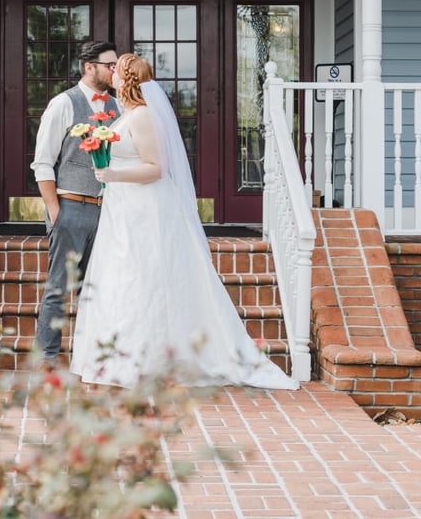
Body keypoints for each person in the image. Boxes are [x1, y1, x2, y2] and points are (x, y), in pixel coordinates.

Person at [69, 53, 299, 390]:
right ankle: (115, 362)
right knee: (120, 280)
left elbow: (155, 168)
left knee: (140, 281)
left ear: (127, 79)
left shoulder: (143, 116)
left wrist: (112, 173)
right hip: (122, 212)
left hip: (145, 212)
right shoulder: (126, 115)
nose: (111, 74)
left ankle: (144, 363)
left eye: (116, 70)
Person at [31, 41, 121, 366]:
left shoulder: (118, 107)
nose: (114, 71)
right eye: (109, 65)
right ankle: (46, 362)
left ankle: (88, 361)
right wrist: (56, 213)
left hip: (106, 213)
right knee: (57, 289)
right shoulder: (63, 104)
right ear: (89, 67)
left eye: (115, 65)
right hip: (69, 208)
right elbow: (42, 163)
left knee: (95, 291)